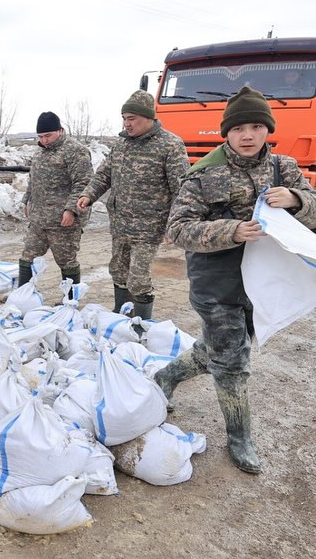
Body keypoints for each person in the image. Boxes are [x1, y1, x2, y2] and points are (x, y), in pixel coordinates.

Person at [156, 86, 316, 474]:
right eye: (240, 127)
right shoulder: (202, 173)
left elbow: (313, 212)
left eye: (257, 127)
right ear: (226, 132)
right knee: (233, 360)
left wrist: (297, 200)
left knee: (224, 347)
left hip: (266, 281)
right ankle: (240, 437)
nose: (248, 135)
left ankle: (167, 375)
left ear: (267, 131)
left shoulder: (285, 168)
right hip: (217, 281)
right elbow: (177, 229)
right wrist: (231, 230)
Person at [77, 90, 189, 318]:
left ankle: (141, 322)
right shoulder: (121, 145)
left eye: (132, 119)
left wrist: (174, 223)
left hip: (149, 227)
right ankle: (120, 314)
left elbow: (182, 189)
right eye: (124, 118)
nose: (127, 124)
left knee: (137, 278)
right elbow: (104, 175)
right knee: (118, 270)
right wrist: (88, 195)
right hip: (120, 224)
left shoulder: (170, 145)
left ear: (149, 118)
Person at [20, 111, 93, 292]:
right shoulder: (40, 152)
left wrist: (71, 210)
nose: (44, 140)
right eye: (40, 136)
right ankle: (21, 296)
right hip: (39, 219)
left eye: (48, 135)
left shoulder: (75, 151)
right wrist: (26, 200)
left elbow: (83, 183)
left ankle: (69, 301)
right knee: (27, 256)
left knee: (66, 261)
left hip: (63, 221)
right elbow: (33, 179)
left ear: (60, 131)